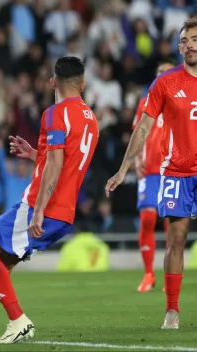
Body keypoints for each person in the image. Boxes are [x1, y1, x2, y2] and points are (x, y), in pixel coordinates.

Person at [0, 56, 99, 344]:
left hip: (41, 205)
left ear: (52, 82)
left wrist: (38, 212)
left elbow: (57, 165)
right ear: (82, 84)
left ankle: (18, 319)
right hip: (65, 211)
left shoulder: (55, 113)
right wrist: (37, 154)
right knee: (0, 266)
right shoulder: (91, 119)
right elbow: (68, 163)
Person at [105, 18, 197, 330]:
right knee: (176, 239)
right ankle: (172, 310)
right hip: (177, 172)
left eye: (195, 39)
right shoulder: (165, 83)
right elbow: (143, 127)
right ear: (179, 46)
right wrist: (124, 168)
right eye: (184, 40)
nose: (190, 44)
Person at [133, 60, 174, 292]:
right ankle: (149, 273)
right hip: (149, 171)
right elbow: (138, 134)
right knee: (148, 219)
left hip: (172, 170)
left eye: (167, 72)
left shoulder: (182, 102)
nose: (162, 76)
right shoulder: (144, 103)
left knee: (172, 223)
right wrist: (137, 159)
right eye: (159, 72)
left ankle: (170, 274)